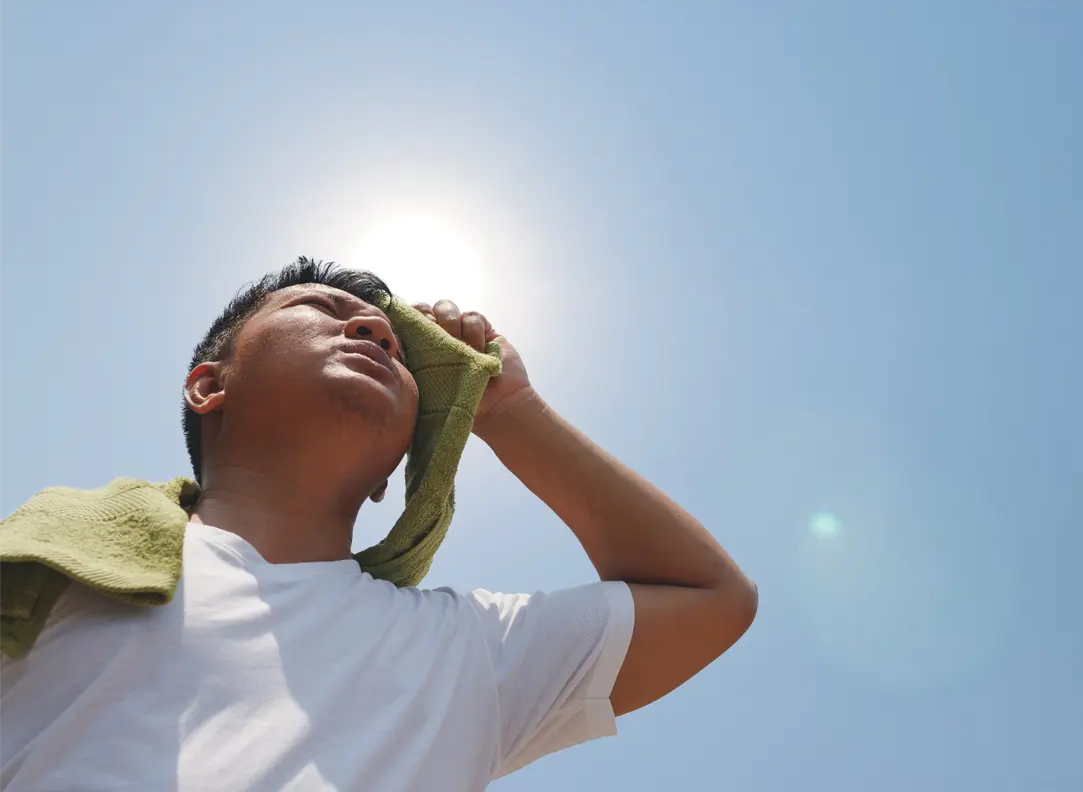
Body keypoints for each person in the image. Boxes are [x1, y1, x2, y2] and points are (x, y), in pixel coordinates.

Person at [0, 258, 757, 791]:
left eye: (395, 347)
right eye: (323, 310)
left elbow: (711, 598)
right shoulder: (54, 564)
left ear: (392, 476)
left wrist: (511, 412)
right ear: (208, 385)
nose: (376, 331)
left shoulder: (462, 651)